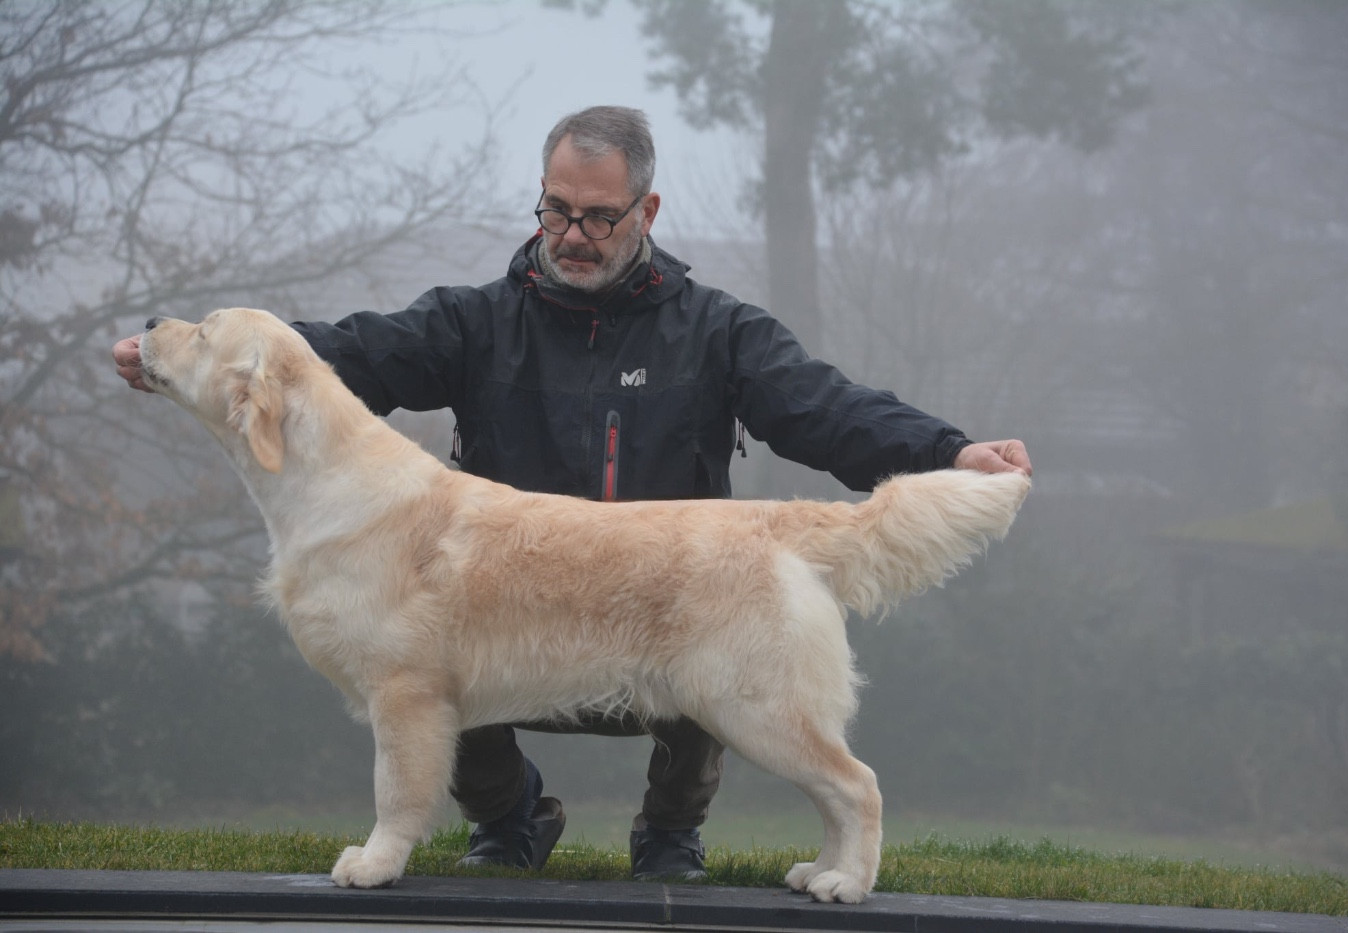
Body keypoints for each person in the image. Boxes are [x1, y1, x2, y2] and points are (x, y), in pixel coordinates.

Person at [114, 105, 1031, 881]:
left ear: (647, 210)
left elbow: (824, 408)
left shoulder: (716, 331)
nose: (573, 234)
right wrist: (182, 365)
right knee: (431, 633)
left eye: (598, 216)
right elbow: (343, 355)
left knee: (711, 626)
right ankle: (508, 820)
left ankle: (670, 833)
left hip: (670, 613)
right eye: (556, 210)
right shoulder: (476, 321)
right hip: (517, 626)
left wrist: (949, 451)